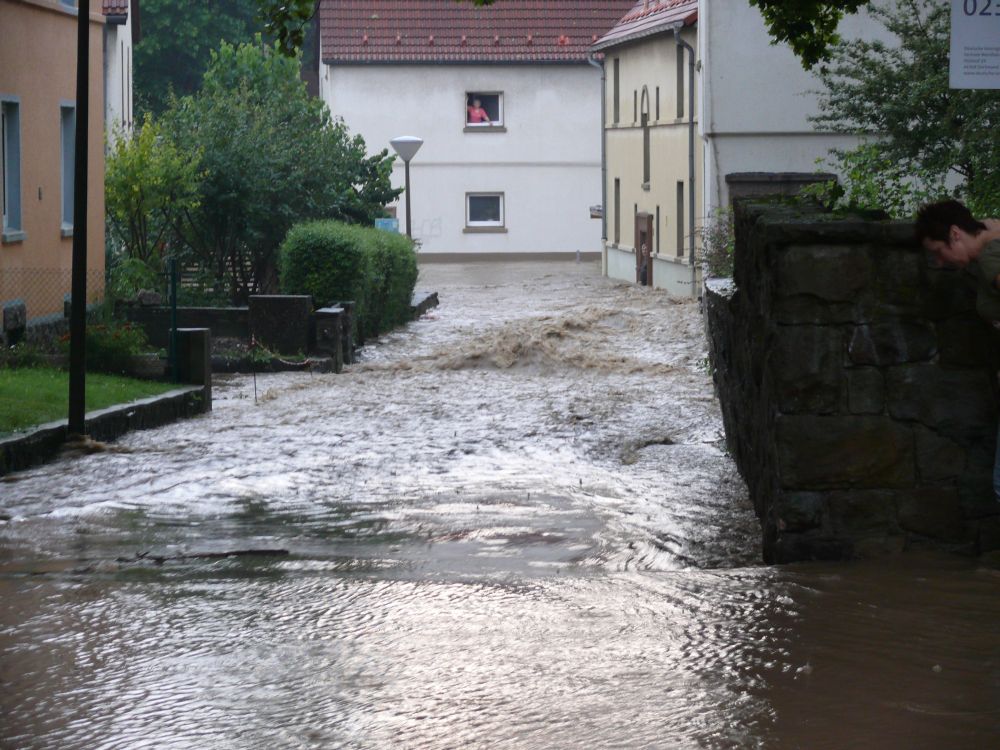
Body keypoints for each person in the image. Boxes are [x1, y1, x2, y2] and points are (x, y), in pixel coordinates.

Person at [915, 199, 1000, 501]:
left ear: (955, 233)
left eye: (938, 251)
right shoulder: (989, 245)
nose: (939, 261)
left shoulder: (991, 258)